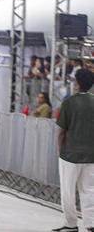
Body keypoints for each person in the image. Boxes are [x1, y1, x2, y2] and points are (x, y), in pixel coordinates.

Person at [53, 68, 94, 232]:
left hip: (70, 154)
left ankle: (71, 224)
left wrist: (59, 149)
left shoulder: (69, 103)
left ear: (77, 84)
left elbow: (61, 130)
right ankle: (91, 224)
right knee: (89, 190)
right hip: (91, 155)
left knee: (68, 191)